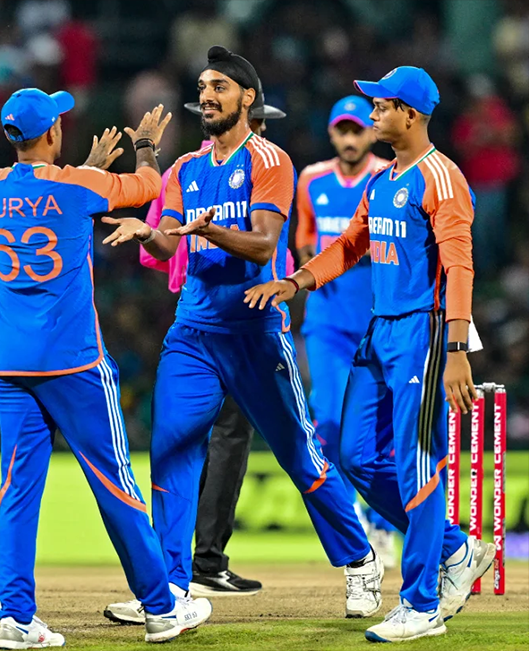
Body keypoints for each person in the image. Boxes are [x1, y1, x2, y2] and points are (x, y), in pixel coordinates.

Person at [102, 46, 381, 623]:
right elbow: (169, 243)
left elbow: (262, 245)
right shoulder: (184, 169)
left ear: (247, 98)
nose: (206, 96)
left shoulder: (271, 160)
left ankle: (360, 561)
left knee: (300, 455)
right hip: (193, 332)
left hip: (254, 331)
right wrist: (146, 232)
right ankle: (171, 590)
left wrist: (210, 232)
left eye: (219, 88)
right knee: (171, 453)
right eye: (203, 87)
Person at [246, 66, 496, 643]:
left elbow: (460, 267)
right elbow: (350, 242)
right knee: (356, 455)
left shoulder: (443, 178)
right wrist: (298, 280)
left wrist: (457, 349)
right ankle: (457, 550)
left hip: (422, 334)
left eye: (382, 105)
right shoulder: (383, 180)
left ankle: (421, 604)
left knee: (416, 464)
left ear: (410, 113)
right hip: (378, 331)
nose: (373, 112)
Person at [0, 89, 211, 649]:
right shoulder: (79, 186)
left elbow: (42, 196)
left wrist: (85, 170)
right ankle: (161, 609)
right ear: (53, 132)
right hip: (73, 360)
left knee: (16, 491)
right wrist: (146, 145)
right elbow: (148, 186)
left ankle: (16, 618)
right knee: (115, 484)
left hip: (10, 362)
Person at [129, 92, 286, 602]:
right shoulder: (210, 170)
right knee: (220, 439)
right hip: (220, 318)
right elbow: (163, 239)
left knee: (199, 441)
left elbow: (157, 245)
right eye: (258, 120)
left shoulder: (219, 169)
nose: (262, 129)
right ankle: (199, 564)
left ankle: (184, 566)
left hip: (208, 316)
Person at [295, 96, 398, 568]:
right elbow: (304, 238)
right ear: (332, 133)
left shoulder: (388, 177)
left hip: (377, 322)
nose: (351, 138)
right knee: (330, 420)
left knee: (381, 430)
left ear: (371, 133)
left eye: (358, 130)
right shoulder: (312, 178)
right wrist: (310, 264)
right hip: (329, 324)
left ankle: (382, 522)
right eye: (343, 130)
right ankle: (349, 522)